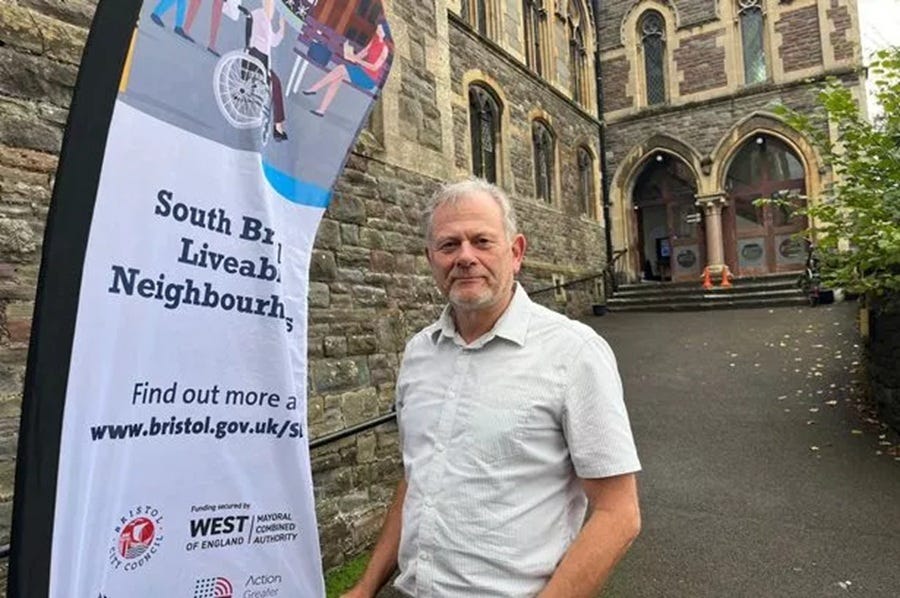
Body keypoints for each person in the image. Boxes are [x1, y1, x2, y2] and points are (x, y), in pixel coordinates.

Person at [342, 179, 642, 597]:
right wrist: (366, 586)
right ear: (431, 258)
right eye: (449, 245)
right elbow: (418, 480)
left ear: (515, 252)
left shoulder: (574, 353)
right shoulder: (418, 354)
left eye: (481, 241)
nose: (465, 257)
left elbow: (618, 513)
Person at [302, 20, 393, 117]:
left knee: (341, 69)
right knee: (337, 78)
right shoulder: (374, 39)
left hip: (369, 78)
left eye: (380, 29)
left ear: (385, 33)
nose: (377, 30)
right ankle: (321, 110)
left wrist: (357, 60)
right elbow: (365, 52)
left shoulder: (384, 49)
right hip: (361, 70)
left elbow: (374, 67)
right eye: (378, 28)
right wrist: (352, 56)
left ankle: (314, 89)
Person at [249, 0, 289, 141]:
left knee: (276, 84)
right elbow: (264, 41)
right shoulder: (259, 16)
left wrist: (281, 29)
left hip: (262, 60)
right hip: (257, 59)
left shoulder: (264, 19)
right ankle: (278, 126)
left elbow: (273, 41)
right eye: (270, 6)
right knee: (276, 84)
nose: (272, 10)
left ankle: (277, 126)